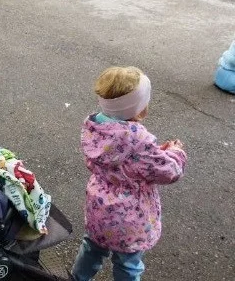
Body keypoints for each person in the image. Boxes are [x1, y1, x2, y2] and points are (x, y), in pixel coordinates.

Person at [71, 66, 187, 281]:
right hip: (129, 218)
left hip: (99, 209)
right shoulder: (139, 141)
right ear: (139, 108)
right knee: (128, 263)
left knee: (91, 248)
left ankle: (78, 277)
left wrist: (152, 153)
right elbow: (169, 171)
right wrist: (175, 153)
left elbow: (123, 159)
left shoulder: (94, 127)